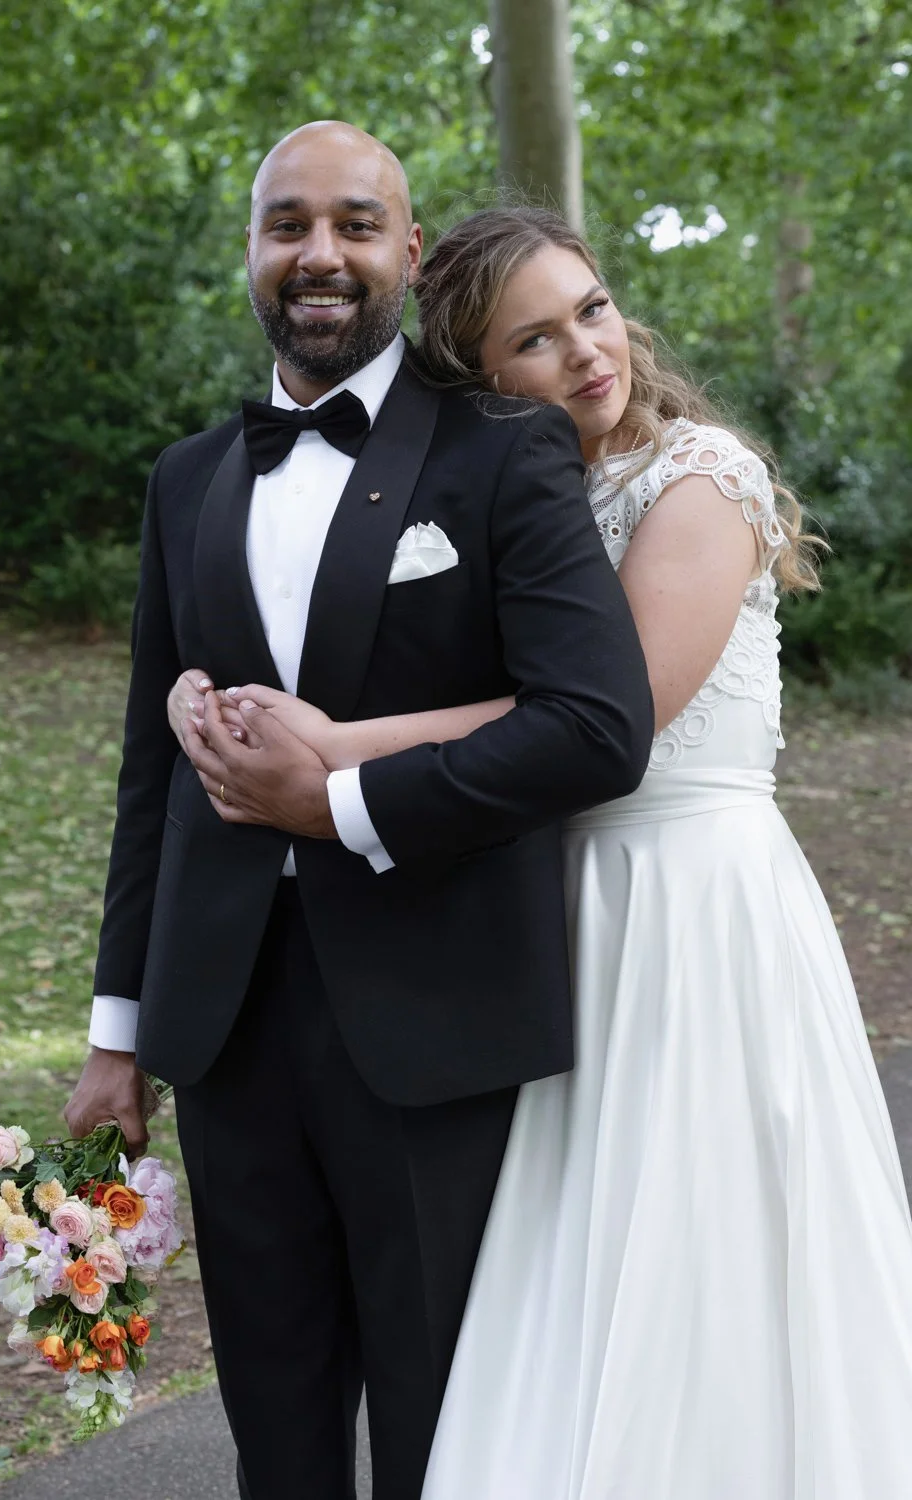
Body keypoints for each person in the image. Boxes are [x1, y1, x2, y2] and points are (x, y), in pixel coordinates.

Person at [172, 206, 912, 1497]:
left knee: (704, 1240)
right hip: (541, 903)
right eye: (533, 340)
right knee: (554, 1267)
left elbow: (605, 712)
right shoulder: (501, 495)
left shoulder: (701, 476)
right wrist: (219, 703)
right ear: (478, 374)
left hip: (690, 904)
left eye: (594, 308)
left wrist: (331, 748)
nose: (583, 351)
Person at [65, 138, 654, 1500]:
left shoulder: (505, 450)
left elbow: (594, 728)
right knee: (274, 1419)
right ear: (254, 253)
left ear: (406, 247)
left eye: (354, 224)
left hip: (432, 1012)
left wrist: (338, 800)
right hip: (223, 1023)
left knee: (443, 1419)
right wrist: (116, 1035)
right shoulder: (187, 478)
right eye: (287, 226)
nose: (318, 254)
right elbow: (151, 774)